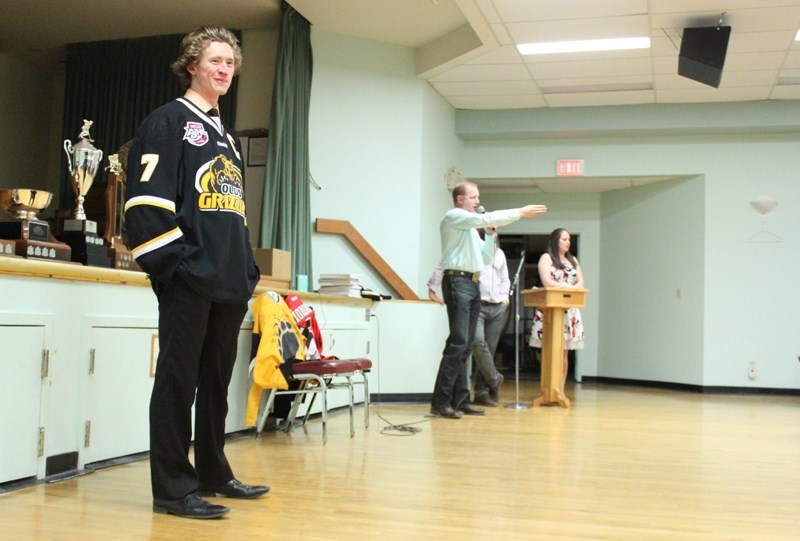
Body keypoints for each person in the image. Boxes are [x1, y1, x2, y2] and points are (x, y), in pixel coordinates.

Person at [124, 26, 268, 520]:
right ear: (192, 66)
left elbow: (230, 214)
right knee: (177, 384)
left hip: (228, 284)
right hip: (190, 280)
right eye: (215, 60)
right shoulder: (167, 122)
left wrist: (245, 270)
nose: (225, 69)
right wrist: (178, 268)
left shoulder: (225, 136)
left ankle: (213, 470)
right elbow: (143, 207)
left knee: (214, 385)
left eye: (230, 61)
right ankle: (172, 488)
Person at [430, 181, 547, 419]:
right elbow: (485, 218)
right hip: (457, 282)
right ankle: (440, 402)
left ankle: (461, 400)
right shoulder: (453, 216)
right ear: (460, 200)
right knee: (458, 342)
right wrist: (520, 212)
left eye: (478, 197)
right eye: (473, 197)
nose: (477, 201)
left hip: (472, 283)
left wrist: (491, 237)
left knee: (465, 345)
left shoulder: (472, 230)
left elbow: (484, 259)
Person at [427, 230, 510, 407]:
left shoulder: (499, 253)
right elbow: (445, 262)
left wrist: (504, 299)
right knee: (475, 343)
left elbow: (505, 279)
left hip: (497, 306)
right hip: (476, 302)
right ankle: (494, 379)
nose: (492, 232)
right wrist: (433, 286)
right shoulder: (470, 247)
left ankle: (480, 392)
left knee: (488, 349)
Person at [529, 228, 585, 394]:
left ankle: (559, 390)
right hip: (550, 309)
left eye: (569, 240)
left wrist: (572, 288)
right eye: (564, 239)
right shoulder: (547, 258)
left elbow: (580, 282)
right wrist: (565, 287)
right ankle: (547, 389)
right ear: (555, 241)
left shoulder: (572, 260)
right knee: (550, 350)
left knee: (564, 352)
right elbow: (546, 281)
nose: (568, 242)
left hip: (569, 310)